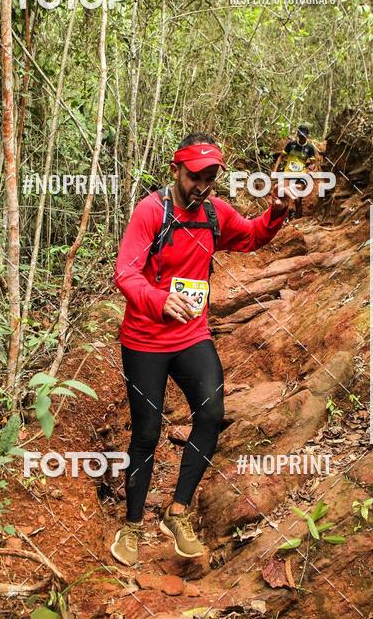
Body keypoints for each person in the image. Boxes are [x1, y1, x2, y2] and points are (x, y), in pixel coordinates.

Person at [111, 132, 294, 566]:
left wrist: (277, 213)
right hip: (144, 339)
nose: (203, 186)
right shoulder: (149, 212)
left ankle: (178, 511)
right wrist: (159, 299)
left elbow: (250, 236)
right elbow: (126, 273)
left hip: (191, 334)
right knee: (147, 432)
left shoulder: (214, 212)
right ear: (176, 170)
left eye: (211, 177)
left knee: (211, 414)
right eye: (196, 177)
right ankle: (132, 525)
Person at [274, 124, 321, 218]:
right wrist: (275, 170)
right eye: (299, 135)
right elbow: (281, 157)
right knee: (283, 195)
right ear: (297, 135)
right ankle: (282, 218)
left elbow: (314, 163)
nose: (301, 137)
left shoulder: (309, 148)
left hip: (301, 175)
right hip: (288, 173)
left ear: (307, 136)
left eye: (303, 136)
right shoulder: (291, 144)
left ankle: (298, 219)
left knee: (298, 198)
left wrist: (313, 167)